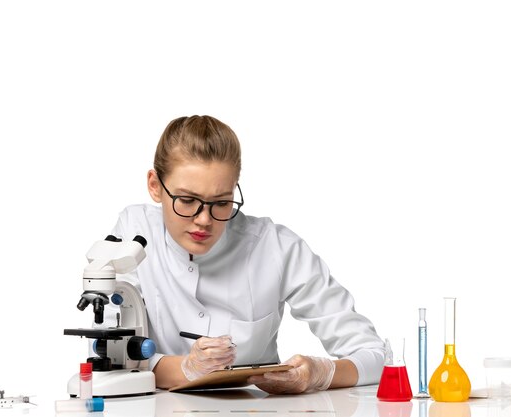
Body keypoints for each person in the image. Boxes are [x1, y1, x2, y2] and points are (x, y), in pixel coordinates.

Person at [109, 115, 385, 394]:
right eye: (188, 200)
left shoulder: (275, 247)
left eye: (222, 202)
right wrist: (185, 369)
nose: (204, 220)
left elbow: (376, 356)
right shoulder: (135, 231)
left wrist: (321, 374)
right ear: (155, 186)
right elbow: (111, 352)